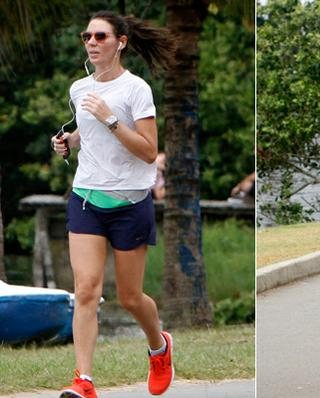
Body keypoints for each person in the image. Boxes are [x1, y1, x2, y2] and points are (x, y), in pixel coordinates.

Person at [51, 10, 177, 398]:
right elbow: (85, 133)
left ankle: (159, 346)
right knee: (86, 289)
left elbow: (148, 151)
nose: (91, 42)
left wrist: (109, 120)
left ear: (120, 42)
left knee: (129, 297)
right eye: (86, 36)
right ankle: (83, 381)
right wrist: (68, 141)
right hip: (86, 197)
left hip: (130, 203)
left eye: (100, 36)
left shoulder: (136, 89)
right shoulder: (78, 88)